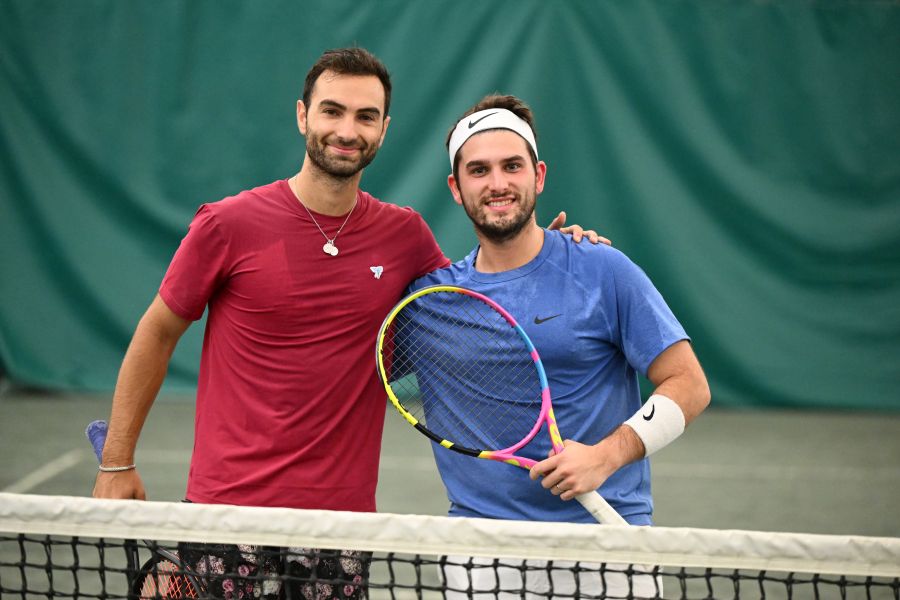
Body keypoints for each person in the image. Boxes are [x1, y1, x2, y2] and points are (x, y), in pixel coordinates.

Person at [92, 48, 601, 599]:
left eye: (365, 116)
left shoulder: (404, 236)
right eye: (332, 111)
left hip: (339, 527)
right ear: (302, 115)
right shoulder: (226, 224)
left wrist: (548, 252)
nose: (347, 130)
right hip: (227, 513)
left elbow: (473, 299)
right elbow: (157, 333)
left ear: (384, 129)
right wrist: (117, 462)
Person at [408, 94, 711, 598]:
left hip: (608, 547)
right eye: (479, 170)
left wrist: (606, 456)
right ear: (456, 188)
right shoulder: (430, 303)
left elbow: (690, 385)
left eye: (512, 166)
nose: (498, 183)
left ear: (539, 175)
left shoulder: (603, 269)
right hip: (480, 558)